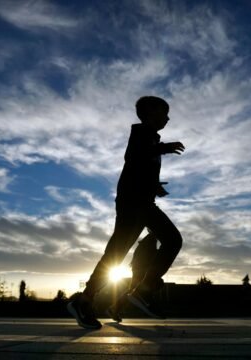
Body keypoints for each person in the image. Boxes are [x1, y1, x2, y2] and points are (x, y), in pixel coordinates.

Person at [67, 96, 185, 329]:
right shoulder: (141, 133)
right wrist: (164, 148)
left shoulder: (150, 138)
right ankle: (96, 297)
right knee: (122, 252)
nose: (168, 118)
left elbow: (138, 168)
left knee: (162, 242)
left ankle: (100, 296)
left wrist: (155, 186)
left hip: (142, 202)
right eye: (164, 113)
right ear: (150, 114)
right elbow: (133, 156)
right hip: (133, 204)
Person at [106, 230, 163, 323]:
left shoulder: (149, 240)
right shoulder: (151, 240)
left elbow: (142, 254)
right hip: (141, 268)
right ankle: (146, 302)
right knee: (144, 288)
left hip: (138, 268)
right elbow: (148, 255)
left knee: (133, 290)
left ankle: (114, 309)